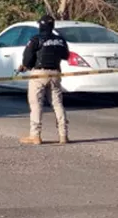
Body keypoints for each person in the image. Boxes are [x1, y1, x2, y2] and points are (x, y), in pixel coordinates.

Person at [18, 14, 70, 145]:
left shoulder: (36, 39)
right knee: (58, 104)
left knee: (36, 104)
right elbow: (66, 55)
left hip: (39, 74)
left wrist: (25, 66)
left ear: (40, 26)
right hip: (55, 73)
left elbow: (27, 58)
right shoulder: (60, 40)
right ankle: (63, 135)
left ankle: (35, 135)